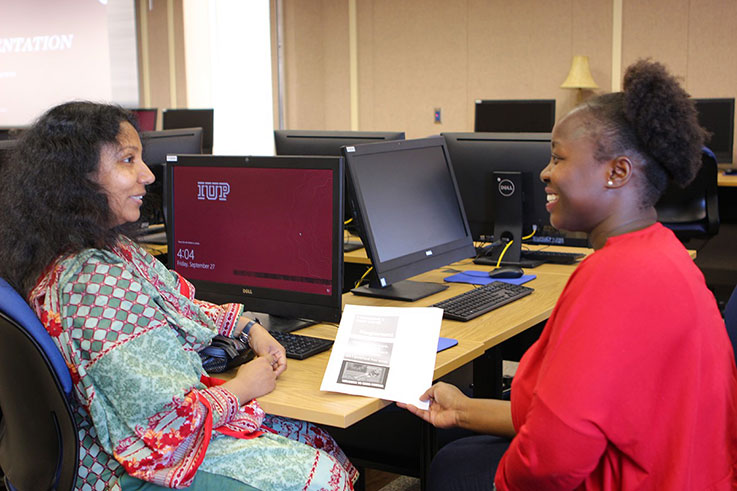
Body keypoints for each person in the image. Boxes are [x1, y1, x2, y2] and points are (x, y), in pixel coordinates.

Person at [399, 59, 737, 489]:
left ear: (617, 172)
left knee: (456, 470)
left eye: (557, 158)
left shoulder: (616, 277)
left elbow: (557, 453)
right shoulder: (662, 250)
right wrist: (463, 409)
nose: (545, 172)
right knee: (460, 452)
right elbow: (571, 412)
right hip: (680, 471)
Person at [0, 101, 357, 490]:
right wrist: (245, 387)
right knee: (324, 476)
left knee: (314, 439)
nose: (148, 175)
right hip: (124, 465)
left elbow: (177, 304)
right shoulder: (91, 280)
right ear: (76, 177)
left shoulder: (102, 249)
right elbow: (165, 424)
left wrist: (248, 327)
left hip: (146, 439)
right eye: (127, 160)